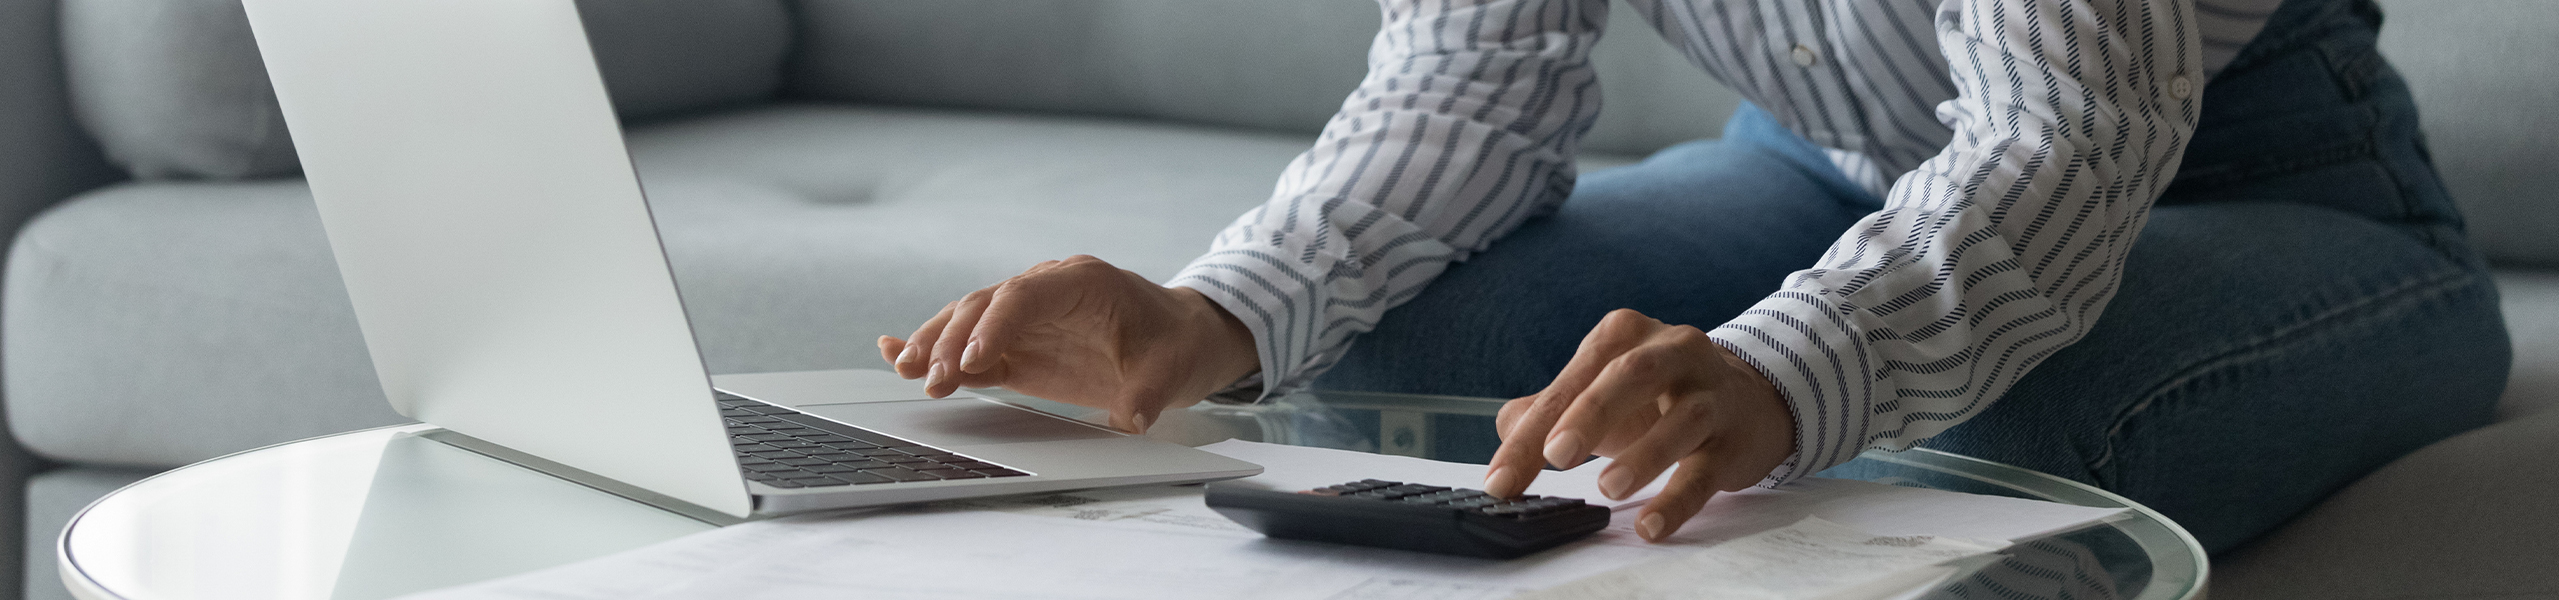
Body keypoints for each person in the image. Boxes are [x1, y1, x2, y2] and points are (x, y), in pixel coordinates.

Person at [876, 0, 2509, 553]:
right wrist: (1210, 313)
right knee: (1409, 358)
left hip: (2270, 187)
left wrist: (1794, 369)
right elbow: (1464, 89)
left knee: (1995, 440)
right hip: (1817, 166)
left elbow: (2059, 139)